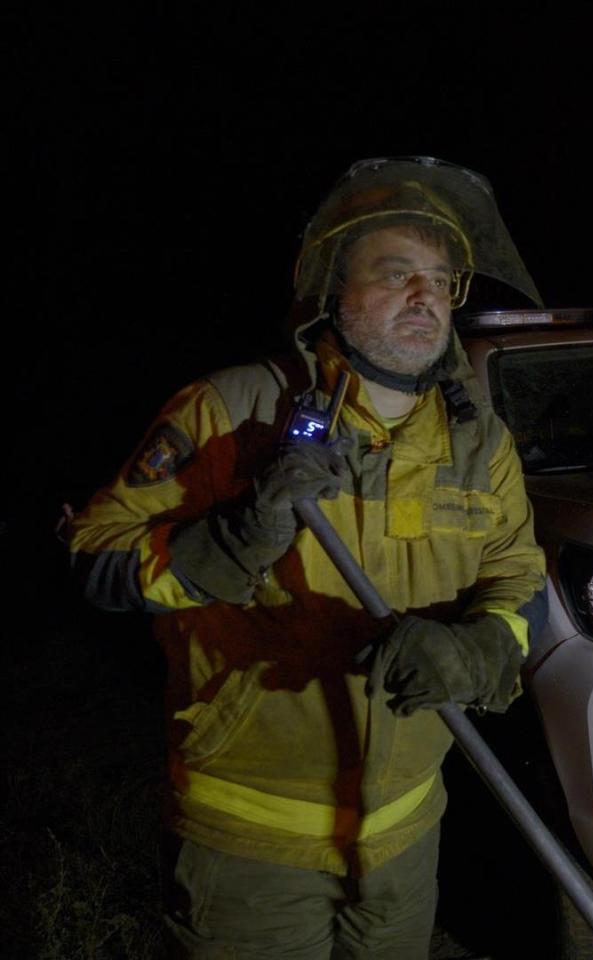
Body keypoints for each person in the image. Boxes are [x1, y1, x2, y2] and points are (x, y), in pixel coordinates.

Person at [67, 156, 548, 958]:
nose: (426, 295)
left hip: (407, 834)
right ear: (332, 290)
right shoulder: (232, 408)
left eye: (441, 279)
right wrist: (234, 540)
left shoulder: (478, 441)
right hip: (251, 840)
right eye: (395, 273)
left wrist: (484, 647)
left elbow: (518, 575)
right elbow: (96, 558)